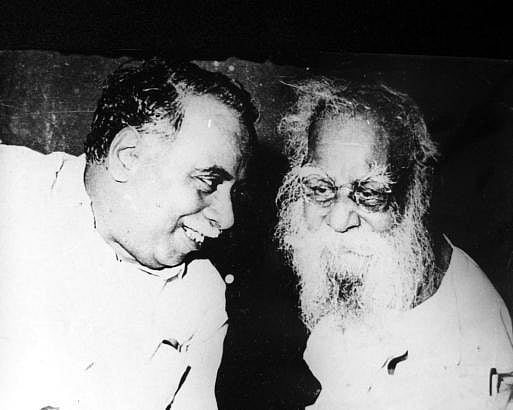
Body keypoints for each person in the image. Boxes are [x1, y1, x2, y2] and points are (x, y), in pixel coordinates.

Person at [0, 58, 257, 409]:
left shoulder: (201, 295)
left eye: (234, 193)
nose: (227, 219)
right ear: (128, 156)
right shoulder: (9, 189)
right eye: (207, 182)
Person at [275, 78, 513, 409]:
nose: (338, 221)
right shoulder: (378, 266)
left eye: (369, 194)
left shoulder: (467, 358)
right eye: (320, 188)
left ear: (417, 191)